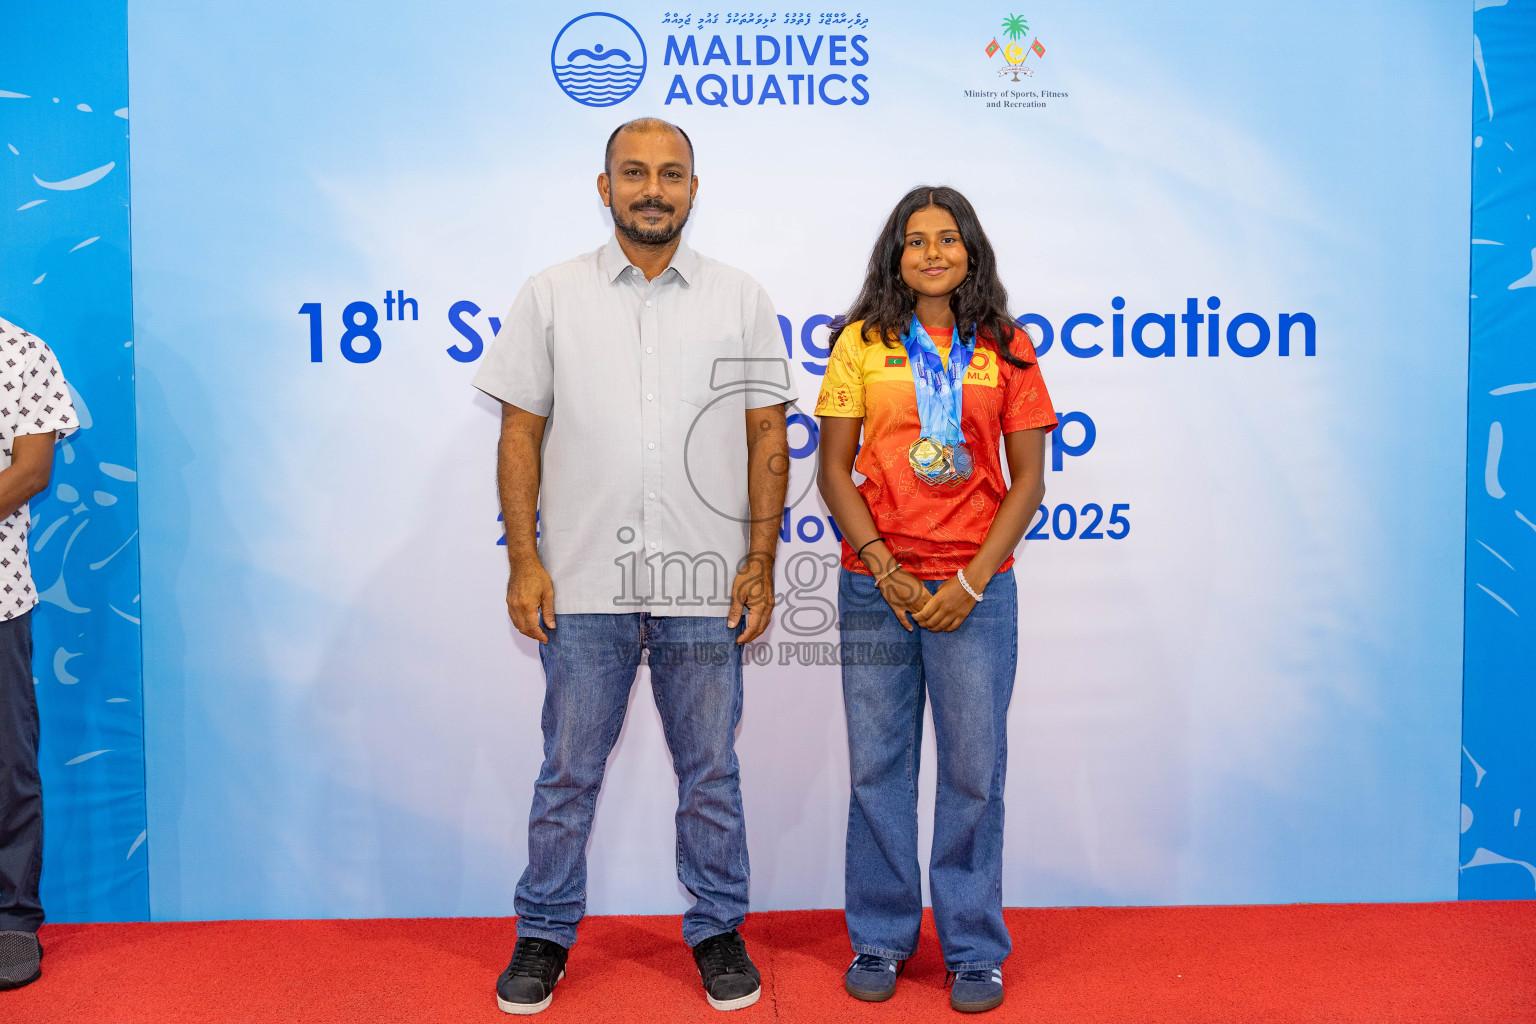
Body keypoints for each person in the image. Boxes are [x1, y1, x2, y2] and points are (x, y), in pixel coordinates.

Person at [471, 118, 794, 1015]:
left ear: (695, 188)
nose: (654, 188)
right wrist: (525, 562)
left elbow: (767, 433)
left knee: (712, 772)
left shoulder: (740, 297)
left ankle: (719, 927)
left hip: (705, 582)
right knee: (568, 769)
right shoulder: (549, 295)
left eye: (672, 174)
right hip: (580, 582)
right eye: (635, 173)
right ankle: (543, 932)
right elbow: (519, 432)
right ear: (603, 186)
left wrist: (759, 560)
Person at [815, 186, 1055, 1014]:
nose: (930, 253)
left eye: (946, 239)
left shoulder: (1008, 347)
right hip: (876, 587)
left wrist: (969, 582)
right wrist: (886, 568)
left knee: (973, 775)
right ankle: (880, 937)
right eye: (914, 240)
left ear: (971, 250)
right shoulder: (858, 345)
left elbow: (1028, 483)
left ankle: (974, 949)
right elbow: (832, 473)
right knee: (878, 770)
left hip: (976, 592)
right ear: (894, 254)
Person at [0, 317, 78, 991]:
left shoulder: (22, 351)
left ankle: (11, 920)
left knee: (7, 765)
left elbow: (30, 471)